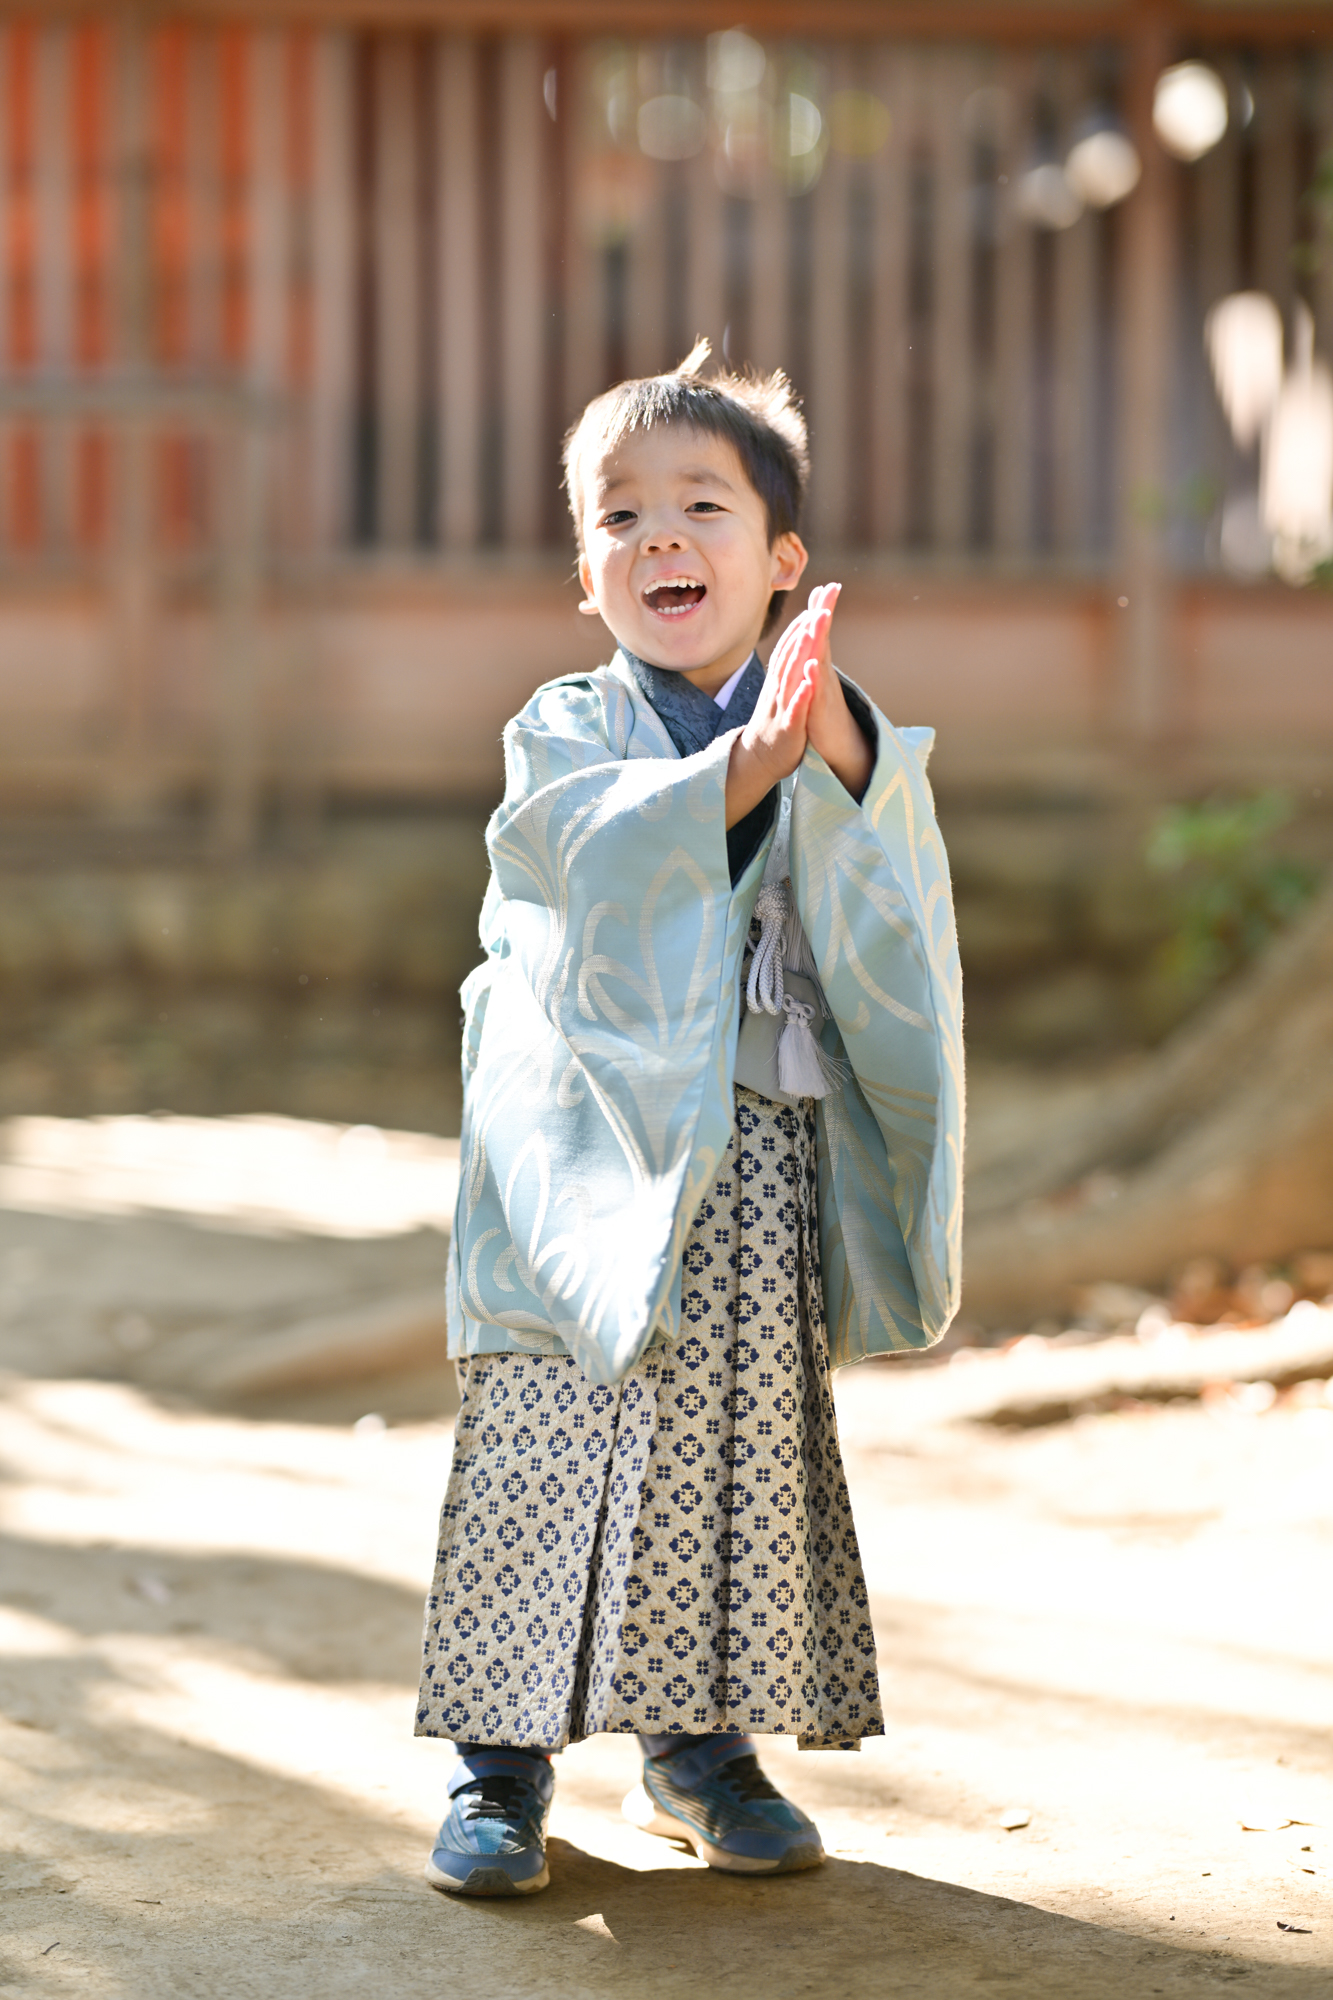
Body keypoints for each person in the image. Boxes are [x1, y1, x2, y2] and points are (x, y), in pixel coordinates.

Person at [417, 341, 963, 1896]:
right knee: (544, 1448)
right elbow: (573, 860)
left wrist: (830, 756)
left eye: (702, 507)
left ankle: (702, 1751)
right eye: (619, 516)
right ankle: (497, 1775)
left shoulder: (827, 725)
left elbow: (892, 908)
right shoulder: (562, 729)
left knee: (724, 1460)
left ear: (782, 563)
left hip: (749, 1163)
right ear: (584, 573)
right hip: (573, 1167)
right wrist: (741, 771)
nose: (660, 537)